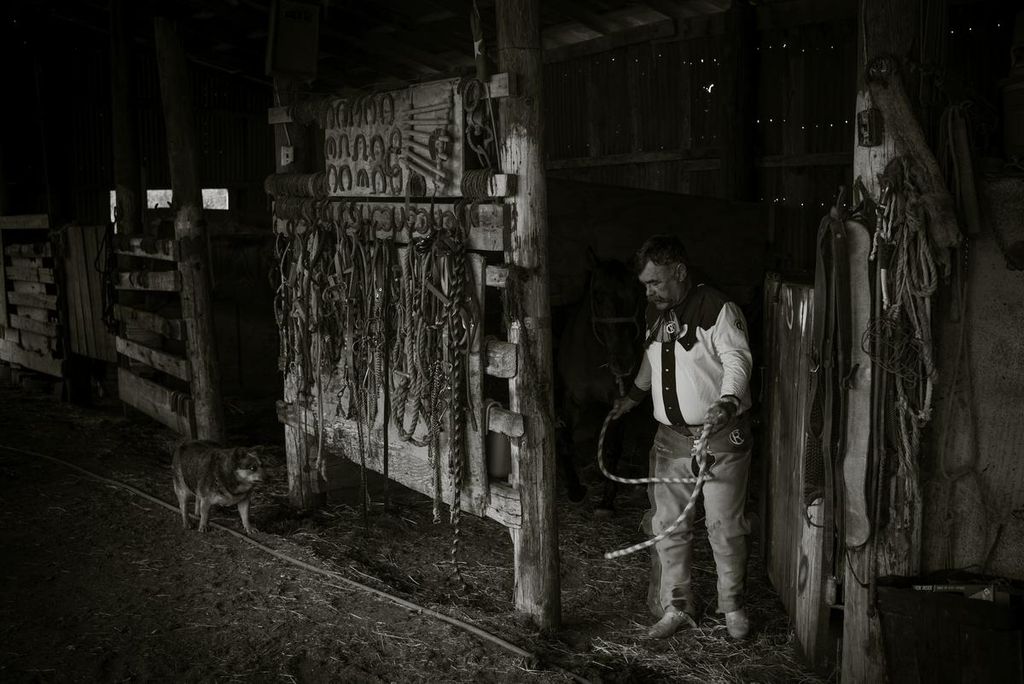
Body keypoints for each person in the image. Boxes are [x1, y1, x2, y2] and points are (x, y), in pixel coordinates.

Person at [611, 234, 753, 639]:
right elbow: (652, 358)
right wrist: (634, 397)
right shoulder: (656, 313)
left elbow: (736, 358)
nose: (649, 290)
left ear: (679, 271)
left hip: (721, 438)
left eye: (655, 282)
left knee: (725, 526)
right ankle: (677, 605)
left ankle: (733, 608)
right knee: (669, 525)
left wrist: (727, 401)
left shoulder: (717, 308)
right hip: (671, 439)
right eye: (645, 285)